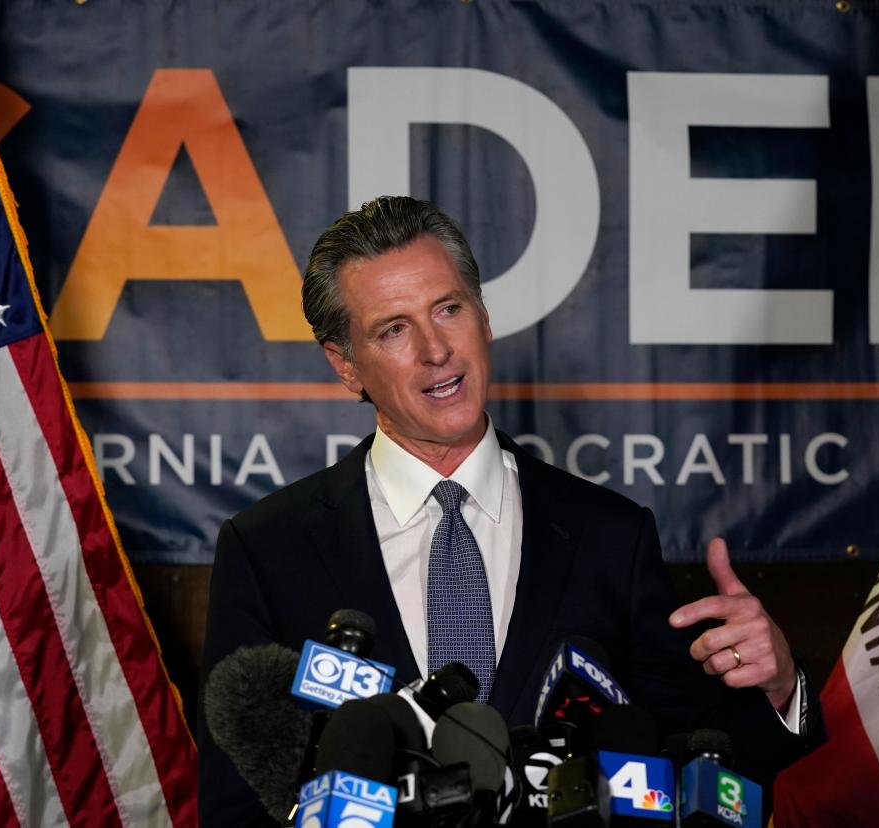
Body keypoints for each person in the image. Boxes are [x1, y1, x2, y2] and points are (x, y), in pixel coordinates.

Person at [198, 196, 824, 825]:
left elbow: (696, 773)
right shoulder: (267, 550)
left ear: (484, 317)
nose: (436, 349)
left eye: (449, 309)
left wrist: (778, 688)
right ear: (345, 365)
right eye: (394, 328)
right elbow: (237, 804)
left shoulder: (611, 536)